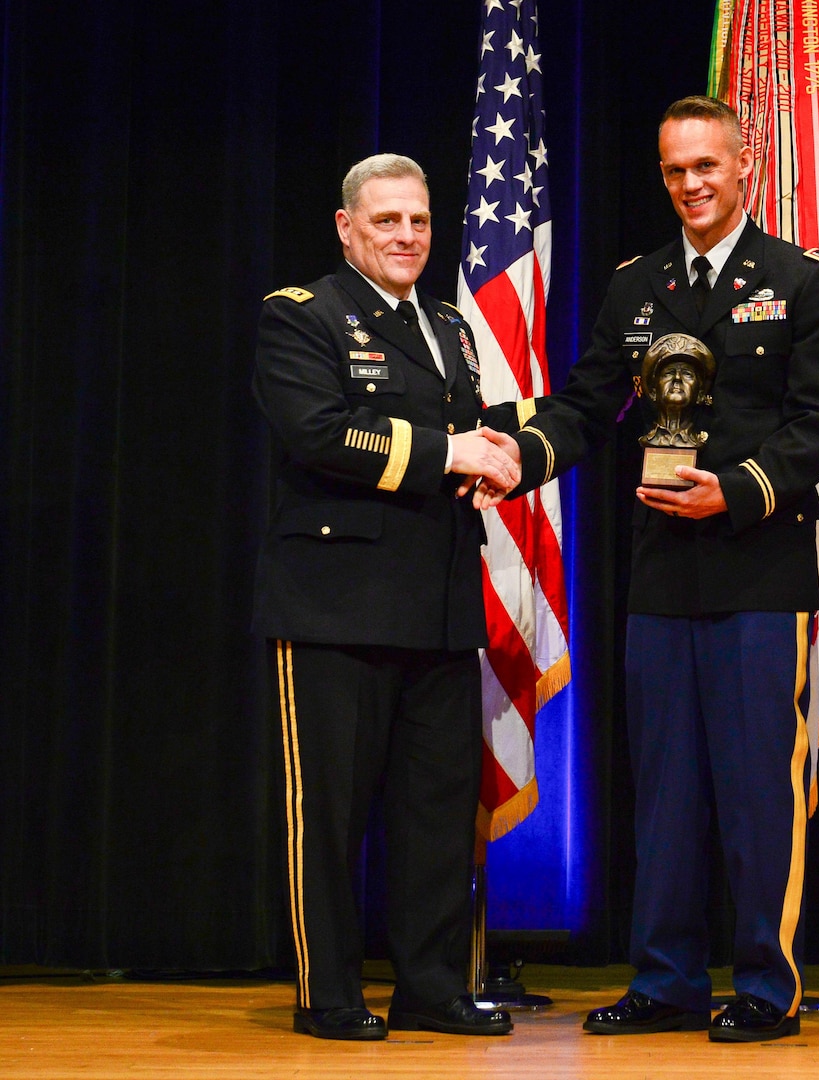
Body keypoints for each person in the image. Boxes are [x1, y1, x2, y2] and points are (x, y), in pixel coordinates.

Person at [482, 96, 819, 1042]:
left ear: (745, 167)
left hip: (760, 573)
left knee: (755, 791)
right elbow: (585, 404)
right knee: (665, 788)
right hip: (660, 575)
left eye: (706, 166)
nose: (691, 184)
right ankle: (666, 980)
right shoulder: (636, 286)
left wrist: (732, 491)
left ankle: (767, 988)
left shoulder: (803, 279)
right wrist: (514, 456)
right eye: (674, 170)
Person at [252, 153, 523, 1041]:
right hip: (337, 602)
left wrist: (500, 459)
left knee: (437, 810)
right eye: (386, 222)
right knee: (327, 815)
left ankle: (433, 986)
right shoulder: (302, 317)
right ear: (346, 228)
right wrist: (453, 456)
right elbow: (319, 433)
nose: (406, 236)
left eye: (417, 221)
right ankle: (328, 994)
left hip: (440, 598)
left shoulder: (447, 321)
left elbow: (472, 426)